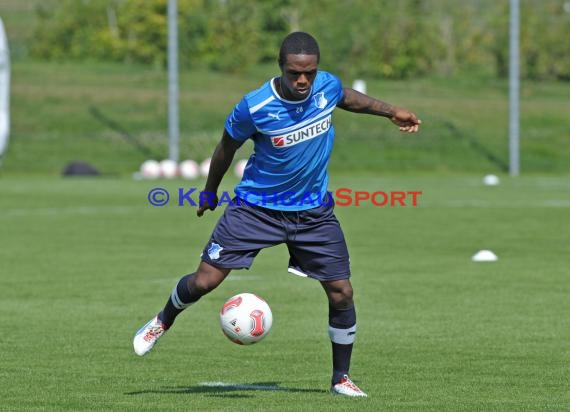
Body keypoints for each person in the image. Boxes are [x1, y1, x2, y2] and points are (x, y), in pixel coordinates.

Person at [133, 31, 421, 397]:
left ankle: (341, 379)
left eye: (310, 73)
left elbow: (347, 97)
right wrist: (209, 191)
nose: (303, 80)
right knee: (205, 281)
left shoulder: (325, 87)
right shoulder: (254, 106)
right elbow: (225, 148)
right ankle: (162, 321)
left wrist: (390, 111)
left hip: (313, 212)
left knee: (341, 293)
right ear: (281, 68)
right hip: (255, 210)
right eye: (294, 73)